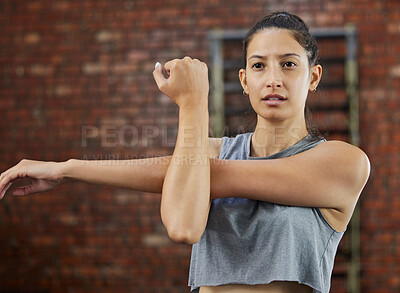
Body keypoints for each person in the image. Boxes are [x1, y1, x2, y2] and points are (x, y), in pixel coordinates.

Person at [0, 11, 370, 293]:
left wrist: (193, 103)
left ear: (314, 77)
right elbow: (180, 214)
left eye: (289, 64)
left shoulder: (343, 163)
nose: (273, 78)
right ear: (244, 80)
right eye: (258, 65)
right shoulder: (207, 155)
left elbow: (202, 188)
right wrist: (65, 169)